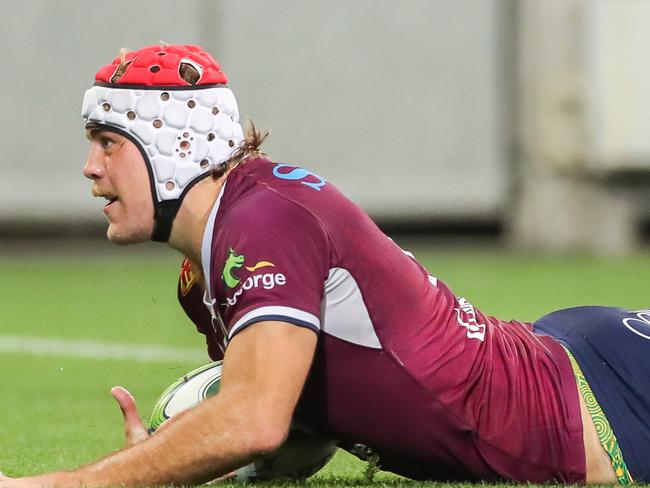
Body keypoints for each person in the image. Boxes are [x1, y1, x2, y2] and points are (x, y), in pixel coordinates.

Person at [1, 43, 648, 487]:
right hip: (558, 351)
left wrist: (65, 482)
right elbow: (303, 425)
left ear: (172, 145)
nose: (90, 168)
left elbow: (253, 420)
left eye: (108, 143)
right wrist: (189, 458)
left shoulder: (262, 223)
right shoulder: (204, 271)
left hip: (604, 397)